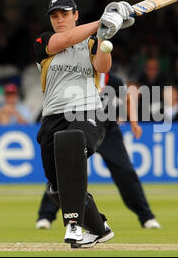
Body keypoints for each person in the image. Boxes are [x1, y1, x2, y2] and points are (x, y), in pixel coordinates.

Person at [34, 0, 134, 248]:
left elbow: (102, 65)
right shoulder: (44, 41)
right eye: (55, 16)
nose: (59, 20)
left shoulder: (90, 42)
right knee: (56, 189)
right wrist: (105, 19)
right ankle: (99, 229)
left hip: (87, 111)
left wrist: (104, 36)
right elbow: (66, 40)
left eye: (65, 14)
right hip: (52, 117)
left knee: (71, 141)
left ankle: (74, 225)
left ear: (75, 15)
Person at [35, 72, 160, 231]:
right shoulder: (79, 77)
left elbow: (127, 99)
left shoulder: (113, 80)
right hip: (82, 126)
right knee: (66, 170)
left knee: (125, 171)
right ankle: (46, 216)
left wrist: (134, 123)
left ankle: (147, 216)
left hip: (108, 131)